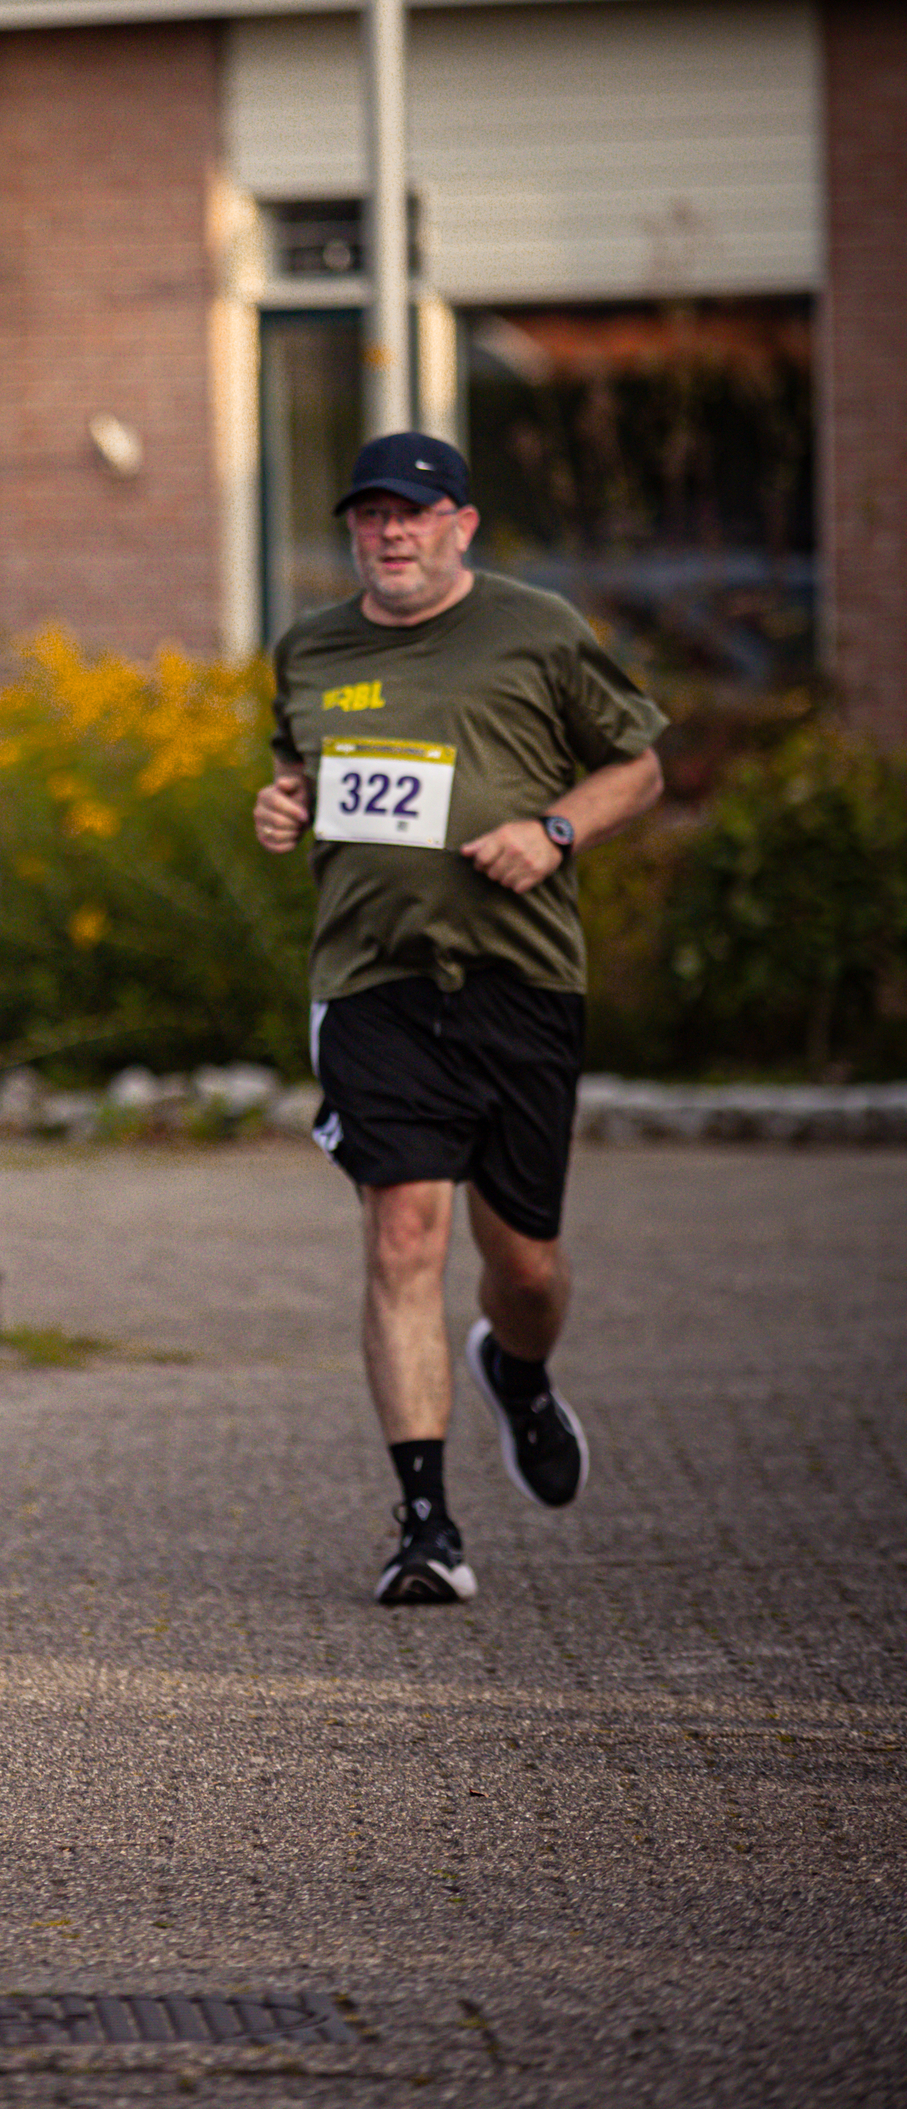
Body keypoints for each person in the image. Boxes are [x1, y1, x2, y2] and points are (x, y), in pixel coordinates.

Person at [253, 432, 666, 1608]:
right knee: (401, 1234)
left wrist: (553, 832)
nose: (389, 534)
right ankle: (424, 1523)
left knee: (523, 1263)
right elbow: (300, 775)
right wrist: (278, 808)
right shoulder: (310, 647)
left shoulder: (533, 628)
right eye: (369, 515)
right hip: (373, 979)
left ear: (461, 526)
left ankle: (518, 1372)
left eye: (414, 514)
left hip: (518, 979)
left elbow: (636, 767)